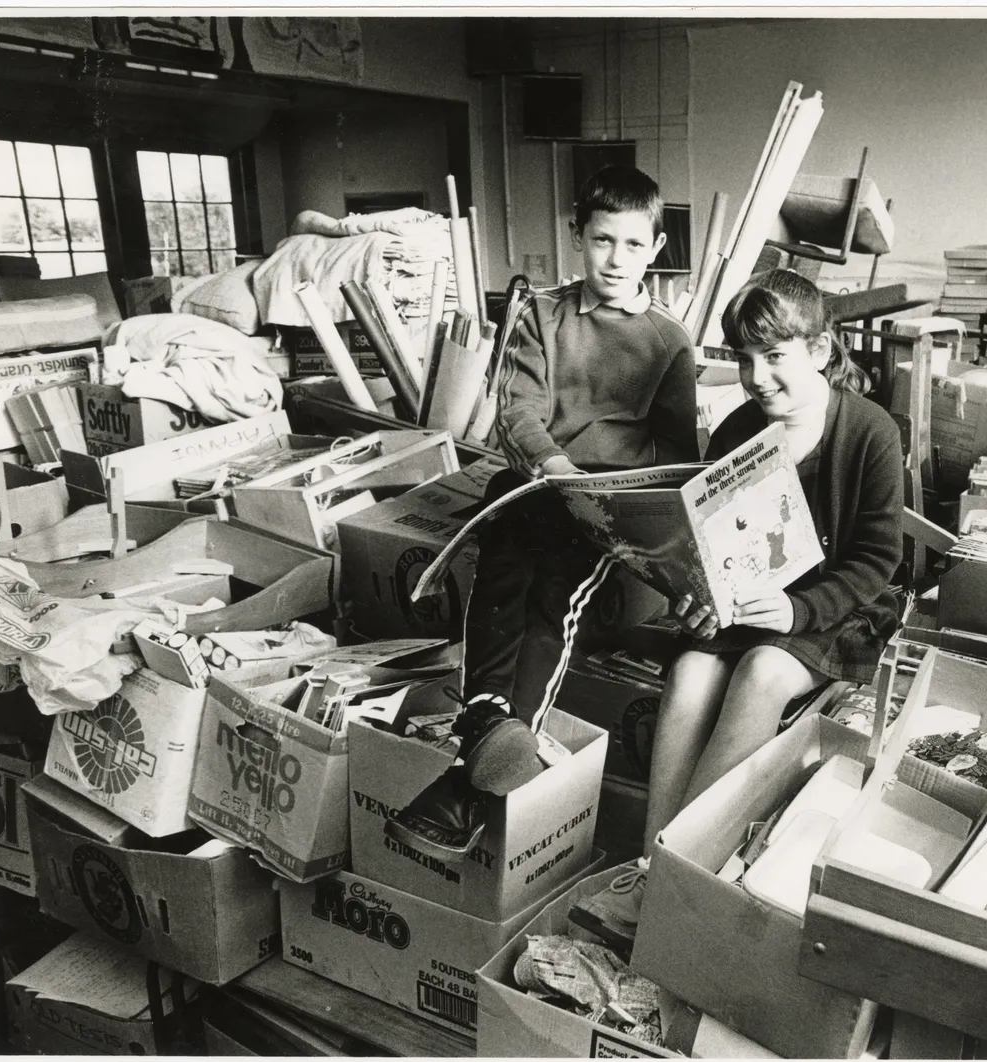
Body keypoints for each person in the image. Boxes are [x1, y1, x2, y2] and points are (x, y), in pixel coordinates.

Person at [387, 165, 696, 861]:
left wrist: (634, 510)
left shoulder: (669, 342)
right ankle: (492, 718)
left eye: (632, 244)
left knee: (554, 590)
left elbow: (680, 454)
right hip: (541, 481)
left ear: (657, 247)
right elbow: (518, 412)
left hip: (608, 507)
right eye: (600, 241)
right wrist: (553, 468)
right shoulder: (542, 313)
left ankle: (479, 758)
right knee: (505, 544)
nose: (615, 260)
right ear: (577, 239)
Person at [642, 270, 904, 857]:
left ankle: (685, 859)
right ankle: (649, 856)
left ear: (819, 349)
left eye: (774, 355)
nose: (756, 378)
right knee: (688, 672)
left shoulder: (870, 432)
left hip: (837, 610)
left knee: (761, 672)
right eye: (742, 359)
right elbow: (712, 544)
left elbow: (878, 559)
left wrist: (798, 609)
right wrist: (698, 598)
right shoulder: (737, 429)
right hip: (748, 606)